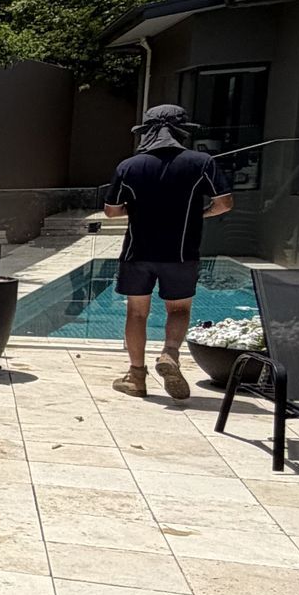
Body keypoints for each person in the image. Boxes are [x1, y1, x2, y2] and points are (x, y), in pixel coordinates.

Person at [103, 103, 234, 399]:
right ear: (182, 131)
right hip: (181, 252)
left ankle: (136, 376)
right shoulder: (201, 162)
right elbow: (224, 203)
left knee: (136, 313)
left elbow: (111, 211)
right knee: (178, 309)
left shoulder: (129, 166)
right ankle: (170, 354)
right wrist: (199, 214)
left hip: (138, 252)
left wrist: (135, 210)